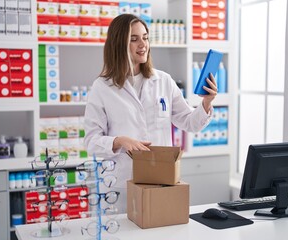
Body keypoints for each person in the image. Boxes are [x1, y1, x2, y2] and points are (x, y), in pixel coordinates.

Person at [84, 14, 217, 213]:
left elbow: (190, 122)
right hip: (121, 186)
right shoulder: (102, 87)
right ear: (119, 43)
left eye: (145, 37)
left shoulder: (163, 80)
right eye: (134, 39)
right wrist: (119, 141)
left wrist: (206, 102)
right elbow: (91, 142)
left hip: (161, 181)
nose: (143, 44)